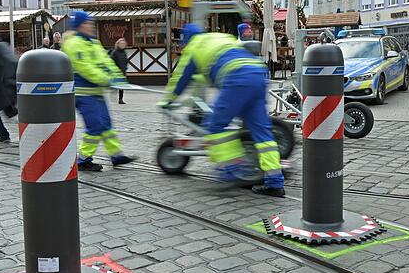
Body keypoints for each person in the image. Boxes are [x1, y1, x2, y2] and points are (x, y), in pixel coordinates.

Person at [161, 24, 285, 197]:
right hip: (258, 74)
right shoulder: (221, 37)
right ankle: (275, 182)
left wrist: (168, 100)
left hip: (237, 78)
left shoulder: (194, 48)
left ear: (186, 40)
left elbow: (182, 79)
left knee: (215, 125)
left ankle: (232, 171)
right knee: (262, 133)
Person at [62, 11, 136, 171]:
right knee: (95, 126)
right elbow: (85, 68)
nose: (91, 26)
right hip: (83, 94)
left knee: (106, 125)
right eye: (87, 23)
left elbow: (107, 62)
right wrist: (106, 79)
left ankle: (116, 156)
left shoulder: (94, 42)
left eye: (91, 23)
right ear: (79, 26)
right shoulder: (73, 44)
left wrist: (119, 78)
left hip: (96, 93)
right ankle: (83, 160)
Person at [109, 38, 129, 104]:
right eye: (121, 43)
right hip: (116, 71)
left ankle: (120, 99)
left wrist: (125, 68)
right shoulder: (114, 52)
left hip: (123, 71)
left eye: (123, 43)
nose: (122, 45)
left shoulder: (124, 52)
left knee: (122, 86)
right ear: (118, 44)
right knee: (115, 85)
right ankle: (113, 94)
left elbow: (126, 61)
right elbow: (111, 61)